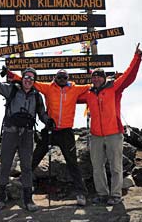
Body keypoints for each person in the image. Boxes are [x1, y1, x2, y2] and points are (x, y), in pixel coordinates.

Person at [0, 48, 53, 212]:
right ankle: (0, 199)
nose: (28, 80)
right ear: (22, 78)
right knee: (5, 165)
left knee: (26, 167)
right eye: (26, 77)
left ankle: (28, 200)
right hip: (10, 133)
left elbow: (41, 114)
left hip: (27, 135)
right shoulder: (11, 89)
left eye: (32, 78)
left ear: (34, 81)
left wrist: (48, 122)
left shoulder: (37, 96)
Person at [8, 69, 91, 206]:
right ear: (55, 77)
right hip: (50, 130)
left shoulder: (75, 89)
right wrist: (11, 75)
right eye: (59, 77)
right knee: (36, 156)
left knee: (72, 163)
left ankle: (81, 193)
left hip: (66, 132)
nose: (62, 79)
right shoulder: (48, 87)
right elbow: (31, 82)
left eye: (64, 77)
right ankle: (23, 181)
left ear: (68, 78)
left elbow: (93, 85)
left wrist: (112, 79)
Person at [78, 44, 142, 206]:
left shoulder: (114, 88)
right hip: (96, 136)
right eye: (94, 77)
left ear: (105, 77)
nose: (96, 79)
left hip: (114, 133)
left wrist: (137, 57)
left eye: (99, 76)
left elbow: (129, 76)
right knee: (97, 167)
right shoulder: (89, 94)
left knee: (115, 166)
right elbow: (69, 97)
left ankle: (115, 194)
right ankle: (102, 194)